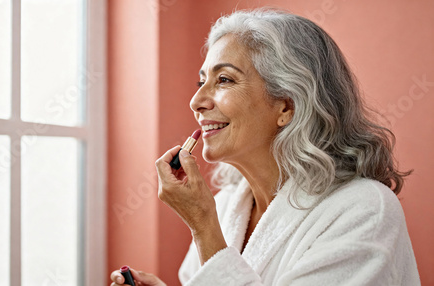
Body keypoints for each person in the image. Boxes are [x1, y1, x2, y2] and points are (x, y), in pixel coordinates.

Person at [110, 9, 420, 286]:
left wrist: (204, 227)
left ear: (287, 105)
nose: (196, 102)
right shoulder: (230, 203)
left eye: (224, 80)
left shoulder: (364, 210)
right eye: (201, 82)